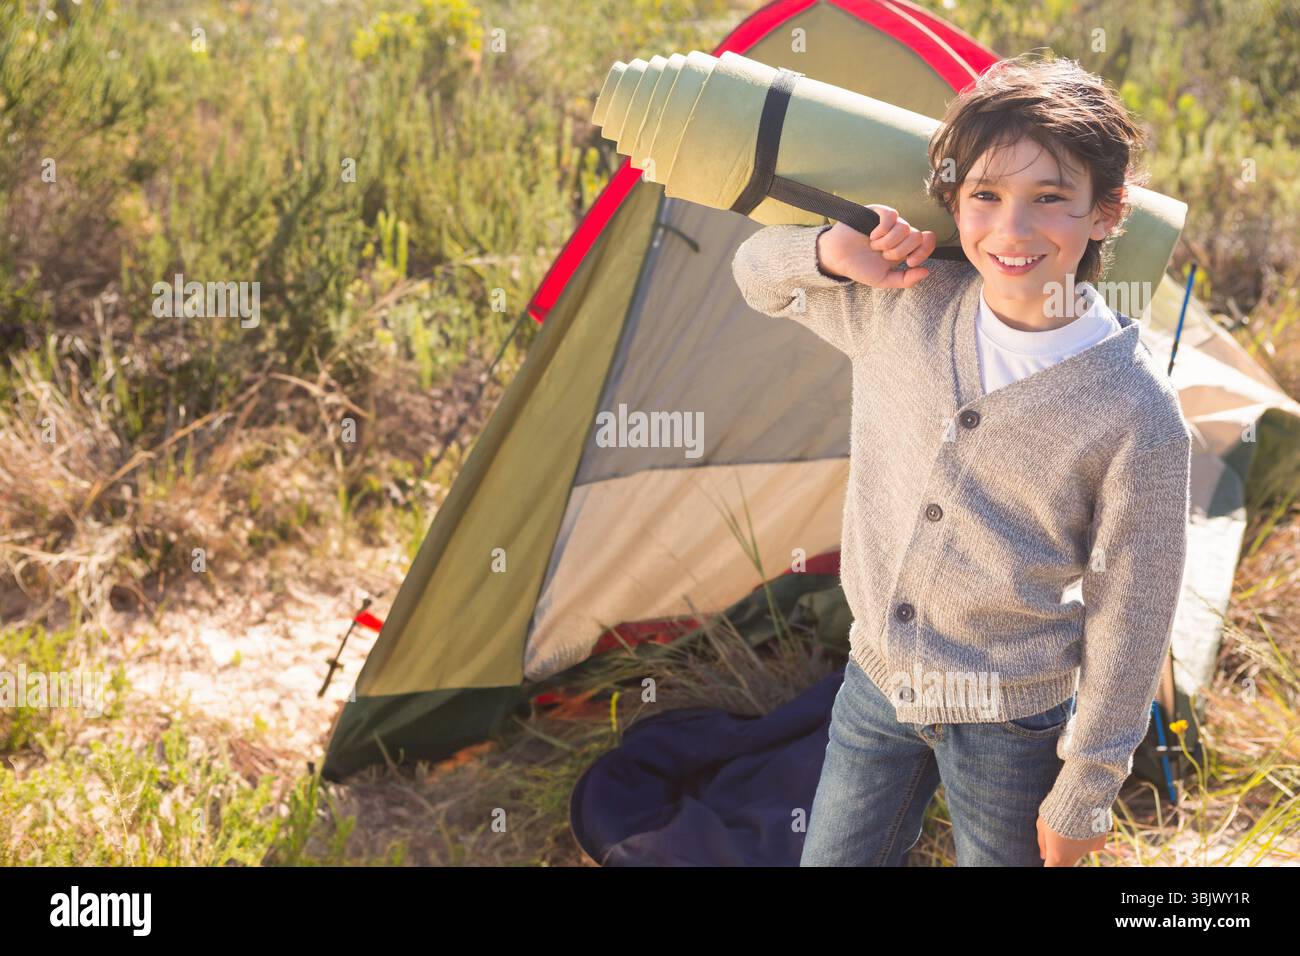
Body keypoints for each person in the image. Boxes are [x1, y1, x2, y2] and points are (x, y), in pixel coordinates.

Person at [730, 53, 1193, 867]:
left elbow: (1133, 612)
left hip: (1013, 719)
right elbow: (753, 277)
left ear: (1107, 211)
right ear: (953, 200)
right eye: (986, 197)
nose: (1011, 231)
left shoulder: (1137, 413)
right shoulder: (907, 304)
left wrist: (1087, 789)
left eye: (1050, 199)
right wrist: (831, 255)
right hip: (874, 682)